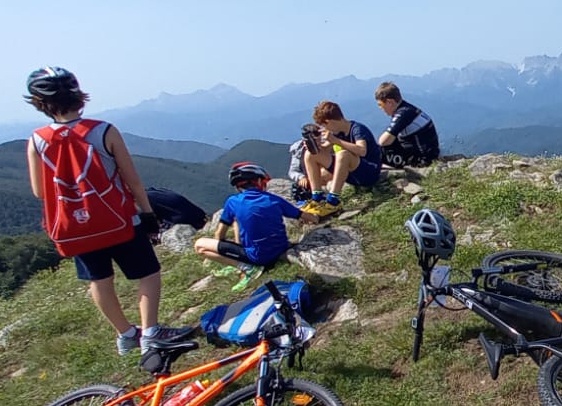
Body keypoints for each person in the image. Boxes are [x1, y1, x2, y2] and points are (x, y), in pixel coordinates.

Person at [24, 66, 188, 356]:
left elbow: (40, 192)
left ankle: (126, 335)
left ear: (39, 103)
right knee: (148, 273)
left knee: (99, 280)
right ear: (78, 95)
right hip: (118, 219)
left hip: (75, 228)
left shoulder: (37, 141)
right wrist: (148, 214)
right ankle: (151, 332)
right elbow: (132, 179)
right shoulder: (103, 131)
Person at [193, 161, 304, 290]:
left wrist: (225, 252)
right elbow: (304, 216)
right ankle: (243, 261)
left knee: (200, 245)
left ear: (238, 186)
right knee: (237, 220)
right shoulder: (273, 199)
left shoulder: (233, 202)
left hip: (258, 257)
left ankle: (247, 268)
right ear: (258, 181)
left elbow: (219, 235)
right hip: (280, 249)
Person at [301, 100, 381, 216]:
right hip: (351, 173)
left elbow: (362, 151)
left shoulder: (357, 129)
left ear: (329, 121)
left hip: (368, 173)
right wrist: (313, 145)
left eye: (324, 125)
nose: (326, 129)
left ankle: (332, 202)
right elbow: (324, 150)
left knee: (343, 154)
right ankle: (317, 198)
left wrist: (336, 141)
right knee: (310, 154)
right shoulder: (338, 133)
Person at [373, 82, 440, 168]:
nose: (380, 108)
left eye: (381, 105)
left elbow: (383, 141)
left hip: (422, 160)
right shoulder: (407, 108)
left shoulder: (403, 114)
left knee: (376, 153)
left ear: (390, 102)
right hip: (427, 154)